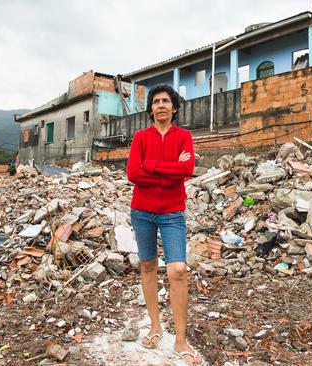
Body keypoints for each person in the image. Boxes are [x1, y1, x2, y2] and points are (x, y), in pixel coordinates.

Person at [126, 84, 203, 365]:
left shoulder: (184, 136)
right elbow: (133, 173)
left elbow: (187, 170)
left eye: (166, 101)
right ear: (151, 109)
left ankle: (180, 340)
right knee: (147, 265)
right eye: (156, 101)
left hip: (172, 212)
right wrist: (169, 169)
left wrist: (152, 165)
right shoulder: (140, 137)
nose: (160, 105)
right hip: (142, 211)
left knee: (177, 270)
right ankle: (155, 326)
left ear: (174, 108)